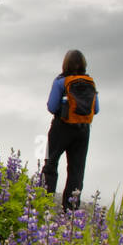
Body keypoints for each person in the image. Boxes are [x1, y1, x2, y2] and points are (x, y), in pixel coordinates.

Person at [42, 49, 99, 210]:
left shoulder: (60, 82)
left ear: (65, 64)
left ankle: (44, 202)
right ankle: (70, 209)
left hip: (61, 127)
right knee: (77, 170)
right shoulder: (89, 82)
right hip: (83, 131)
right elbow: (96, 109)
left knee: (50, 163)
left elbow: (51, 107)